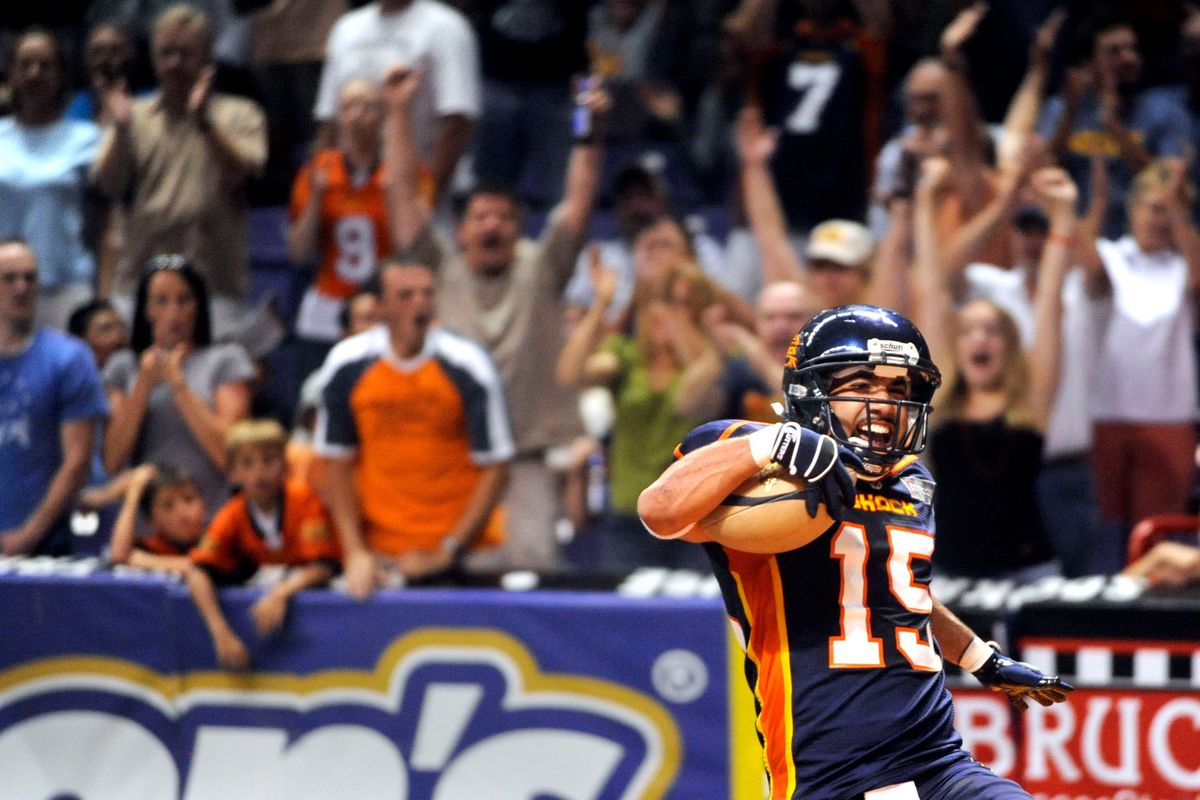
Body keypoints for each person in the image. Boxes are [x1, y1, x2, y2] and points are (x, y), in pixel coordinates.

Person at [637, 303, 1074, 799]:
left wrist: (981, 659)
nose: (884, 404)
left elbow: (898, 591)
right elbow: (658, 510)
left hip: (937, 760)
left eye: (897, 389)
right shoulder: (750, 450)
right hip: (829, 777)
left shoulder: (912, 479)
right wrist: (770, 446)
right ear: (812, 392)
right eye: (861, 386)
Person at [392, 67, 604, 570]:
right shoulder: (438, 269)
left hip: (525, 465)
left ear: (519, 227)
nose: (492, 225)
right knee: (447, 585)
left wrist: (588, 127)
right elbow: (401, 196)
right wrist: (397, 112)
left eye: (504, 217)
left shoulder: (542, 265)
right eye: (480, 217)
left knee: (529, 581)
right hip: (452, 460)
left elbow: (578, 201)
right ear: (460, 229)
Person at [912, 159, 1075, 582]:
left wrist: (1062, 217)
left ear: (1010, 345)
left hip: (1028, 573)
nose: (980, 339)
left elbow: (1050, 304)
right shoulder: (943, 395)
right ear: (957, 345)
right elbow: (931, 290)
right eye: (968, 331)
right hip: (950, 574)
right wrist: (925, 204)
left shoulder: (1030, 399)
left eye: (993, 331)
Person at [315, 258, 514, 598]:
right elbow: (335, 464)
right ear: (379, 307)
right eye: (406, 295)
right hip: (381, 553)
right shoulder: (346, 365)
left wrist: (447, 550)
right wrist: (355, 551)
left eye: (427, 293)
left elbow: (497, 467)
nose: (420, 303)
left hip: (467, 552)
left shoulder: (467, 364)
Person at [91, 3, 268, 337]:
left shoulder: (241, 114)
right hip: (139, 288)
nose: (175, 63)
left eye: (186, 54)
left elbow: (241, 175)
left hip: (214, 288)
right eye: (167, 53)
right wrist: (121, 131)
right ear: (154, 60)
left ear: (207, 60)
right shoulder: (133, 117)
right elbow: (110, 186)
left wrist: (205, 124)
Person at [558, 254, 725, 572]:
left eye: (683, 305)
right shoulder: (626, 357)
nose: (664, 315)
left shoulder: (714, 361)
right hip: (629, 511)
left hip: (695, 512)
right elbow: (571, 374)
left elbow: (696, 397)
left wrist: (676, 318)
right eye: (657, 304)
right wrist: (601, 305)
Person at [102, 255, 255, 519]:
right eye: (161, 301)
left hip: (212, 522)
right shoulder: (123, 366)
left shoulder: (227, 359)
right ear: (146, 309)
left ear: (198, 305)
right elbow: (113, 461)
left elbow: (229, 458)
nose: (173, 313)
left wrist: (178, 385)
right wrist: (144, 384)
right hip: (144, 528)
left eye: (184, 300)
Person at [187, 419, 340, 670]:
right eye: (247, 463)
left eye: (269, 461)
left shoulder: (304, 499)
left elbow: (325, 565)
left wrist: (281, 593)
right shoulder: (232, 514)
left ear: (286, 466)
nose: (259, 473)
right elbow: (198, 572)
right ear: (233, 473)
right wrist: (221, 634)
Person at [0, 239, 108, 556]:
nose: (22, 287)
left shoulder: (69, 358)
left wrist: (26, 537)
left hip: (46, 544)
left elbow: (77, 461)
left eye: (30, 278)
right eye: (9, 278)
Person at [288, 75, 400, 378]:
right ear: (338, 117)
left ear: (383, 116)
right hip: (328, 299)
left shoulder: (403, 170)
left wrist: (394, 195)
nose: (359, 114)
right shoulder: (317, 169)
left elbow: (413, 248)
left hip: (383, 305)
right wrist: (316, 198)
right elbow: (299, 252)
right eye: (350, 106)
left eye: (368, 106)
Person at [1039, 14, 1192, 237]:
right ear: (1088, 63)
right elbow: (1042, 171)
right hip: (1074, 236)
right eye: (1114, 51)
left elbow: (1170, 185)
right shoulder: (1061, 110)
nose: (1129, 58)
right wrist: (1070, 115)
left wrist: (1113, 125)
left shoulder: (1161, 110)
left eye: (1132, 49)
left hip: (1139, 241)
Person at [313, 0, 480, 203]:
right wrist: (319, 196)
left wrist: (424, 199)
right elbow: (329, 122)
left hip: (422, 187)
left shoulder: (446, 26)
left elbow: (457, 123)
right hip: (355, 193)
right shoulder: (346, 28)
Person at [0, 29, 102, 329]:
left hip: (67, 285)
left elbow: (104, 220)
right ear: (11, 75)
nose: (35, 74)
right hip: (3, 286)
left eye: (46, 66)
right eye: (26, 65)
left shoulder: (88, 139)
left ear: (60, 76)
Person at [108, 463, 205, 572]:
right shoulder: (150, 547)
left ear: (204, 505)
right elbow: (119, 555)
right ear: (151, 521)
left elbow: (207, 566)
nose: (183, 513)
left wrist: (148, 562)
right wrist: (134, 491)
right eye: (168, 505)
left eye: (189, 499)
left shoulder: (218, 538)